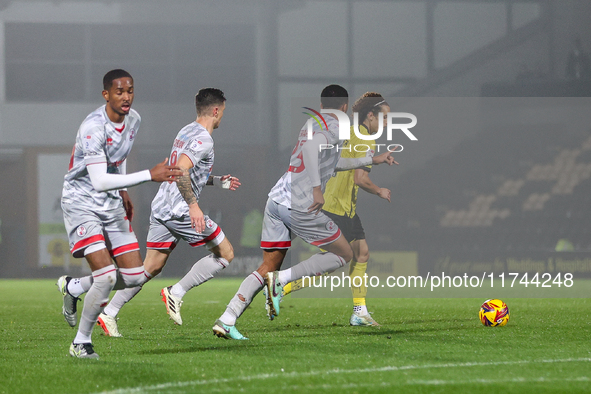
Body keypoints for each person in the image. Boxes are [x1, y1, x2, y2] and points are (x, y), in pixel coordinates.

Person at [212, 85, 396, 340]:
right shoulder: (337, 125)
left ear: (321, 105)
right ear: (344, 107)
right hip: (300, 204)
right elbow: (312, 152)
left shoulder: (310, 123)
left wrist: (371, 160)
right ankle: (282, 280)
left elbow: (333, 162)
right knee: (344, 253)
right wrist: (317, 189)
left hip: (276, 199)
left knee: (266, 266)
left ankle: (227, 317)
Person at [59, 88, 240, 338]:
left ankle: (96, 302)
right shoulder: (205, 139)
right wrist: (193, 206)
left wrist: (216, 181)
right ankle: (176, 292)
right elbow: (183, 169)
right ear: (217, 110)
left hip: (163, 206)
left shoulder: (186, 130)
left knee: (148, 269)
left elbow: (185, 170)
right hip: (179, 211)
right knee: (226, 254)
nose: (222, 118)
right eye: (223, 113)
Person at [57, 69, 182, 359]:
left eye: (130, 90)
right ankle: (81, 342)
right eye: (119, 92)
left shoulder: (134, 119)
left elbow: (118, 159)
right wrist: (149, 175)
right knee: (106, 277)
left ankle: (73, 287)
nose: (126, 97)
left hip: (110, 202)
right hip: (82, 202)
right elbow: (99, 180)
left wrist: (124, 192)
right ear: (106, 95)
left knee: (135, 276)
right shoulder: (93, 127)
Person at [282, 92, 393, 327]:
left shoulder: (347, 131)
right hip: (337, 206)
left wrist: (377, 160)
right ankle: (283, 286)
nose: (385, 124)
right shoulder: (365, 138)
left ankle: (359, 311)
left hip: (340, 205)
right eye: (384, 119)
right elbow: (360, 178)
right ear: (370, 116)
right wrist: (380, 190)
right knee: (340, 258)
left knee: (360, 253)